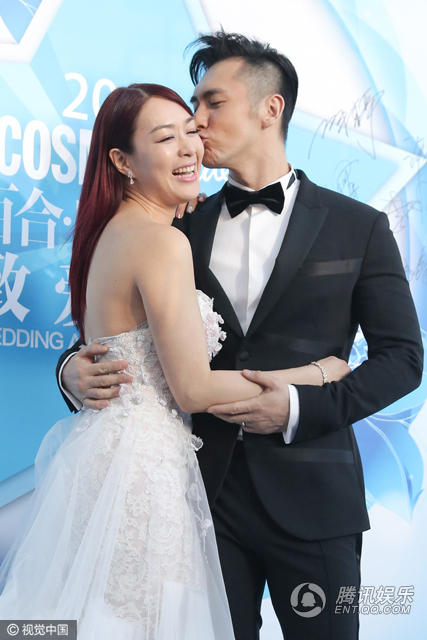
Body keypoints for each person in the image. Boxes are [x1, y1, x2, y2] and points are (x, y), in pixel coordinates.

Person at [56, 34, 423, 640]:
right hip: (200, 500)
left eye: (212, 102)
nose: (197, 122)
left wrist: (300, 405)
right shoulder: (176, 221)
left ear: (269, 109)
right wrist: (72, 368)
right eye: (191, 107)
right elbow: (125, 324)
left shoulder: (357, 226)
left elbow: (403, 360)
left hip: (315, 495)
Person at [0, 82, 346, 638]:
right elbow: (191, 388)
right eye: (166, 138)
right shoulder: (161, 239)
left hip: (122, 460)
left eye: (191, 131)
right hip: (146, 471)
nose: (190, 146)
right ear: (122, 161)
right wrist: (314, 375)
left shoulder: (127, 229)